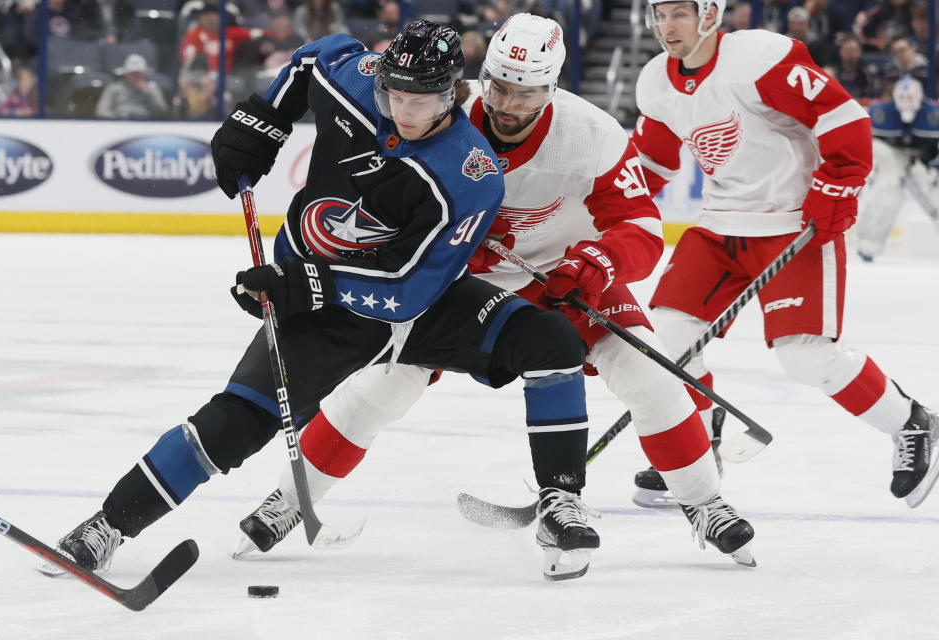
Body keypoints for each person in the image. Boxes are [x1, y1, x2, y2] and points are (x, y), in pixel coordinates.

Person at [42, 20, 601, 582]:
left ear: (454, 92)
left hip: (418, 299)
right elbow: (314, 57)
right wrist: (265, 116)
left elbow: (408, 290)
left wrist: (309, 282)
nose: (404, 112)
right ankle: (105, 527)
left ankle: (559, 504)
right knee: (237, 421)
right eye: (395, 95)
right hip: (323, 310)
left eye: (423, 101)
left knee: (551, 340)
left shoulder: (470, 172)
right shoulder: (352, 79)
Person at [234, 13, 757, 568]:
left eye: (527, 93)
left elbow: (641, 227)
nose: (508, 105)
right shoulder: (439, 115)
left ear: (552, 86)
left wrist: (596, 263)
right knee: (383, 387)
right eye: (501, 87)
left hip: (565, 275)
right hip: (457, 282)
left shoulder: (591, 134)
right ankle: (290, 502)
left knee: (645, 376)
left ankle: (704, 503)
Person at [628, 0, 939, 508]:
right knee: (667, 340)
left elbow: (845, 120)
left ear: (709, 14)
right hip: (717, 230)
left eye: (679, 13)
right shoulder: (655, 82)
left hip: (792, 227)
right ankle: (699, 448)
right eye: (660, 15)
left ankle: (913, 422)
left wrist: (838, 185)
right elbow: (652, 165)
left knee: (806, 358)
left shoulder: (758, 58)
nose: (667, 26)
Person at [855, 75, 939, 261]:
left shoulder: (933, 115)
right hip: (892, 159)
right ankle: (868, 246)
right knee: (885, 196)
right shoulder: (879, 113)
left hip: (922, 163)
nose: (906, 102)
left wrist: (934, 165)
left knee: (936, 200)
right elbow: (866, 141)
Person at [95, 53, 169, 120]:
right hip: (119, 123)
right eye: (132, 73)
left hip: (145, 123)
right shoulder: (114, 88)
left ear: (144, 74)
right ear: (126, 74)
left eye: (138, 73)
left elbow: (162, 111)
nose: (135, 76)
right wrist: (116, 119)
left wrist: (148, 92)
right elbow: (102, 110)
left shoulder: (152, 89)